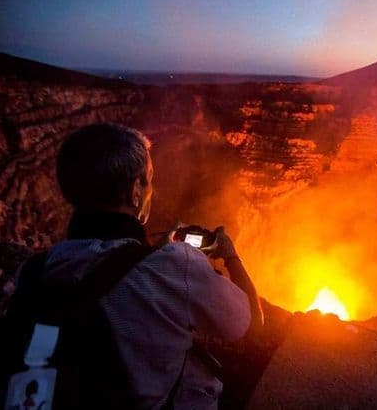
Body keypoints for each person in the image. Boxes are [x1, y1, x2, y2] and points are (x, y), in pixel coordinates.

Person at [44, 122, 263, 409]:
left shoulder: (39, 268)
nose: (151, 190)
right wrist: (231, 255)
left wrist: (147, 253)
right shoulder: (175, 266)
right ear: (136, 188)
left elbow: (108, 266)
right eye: (148, 179)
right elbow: (251, 324)